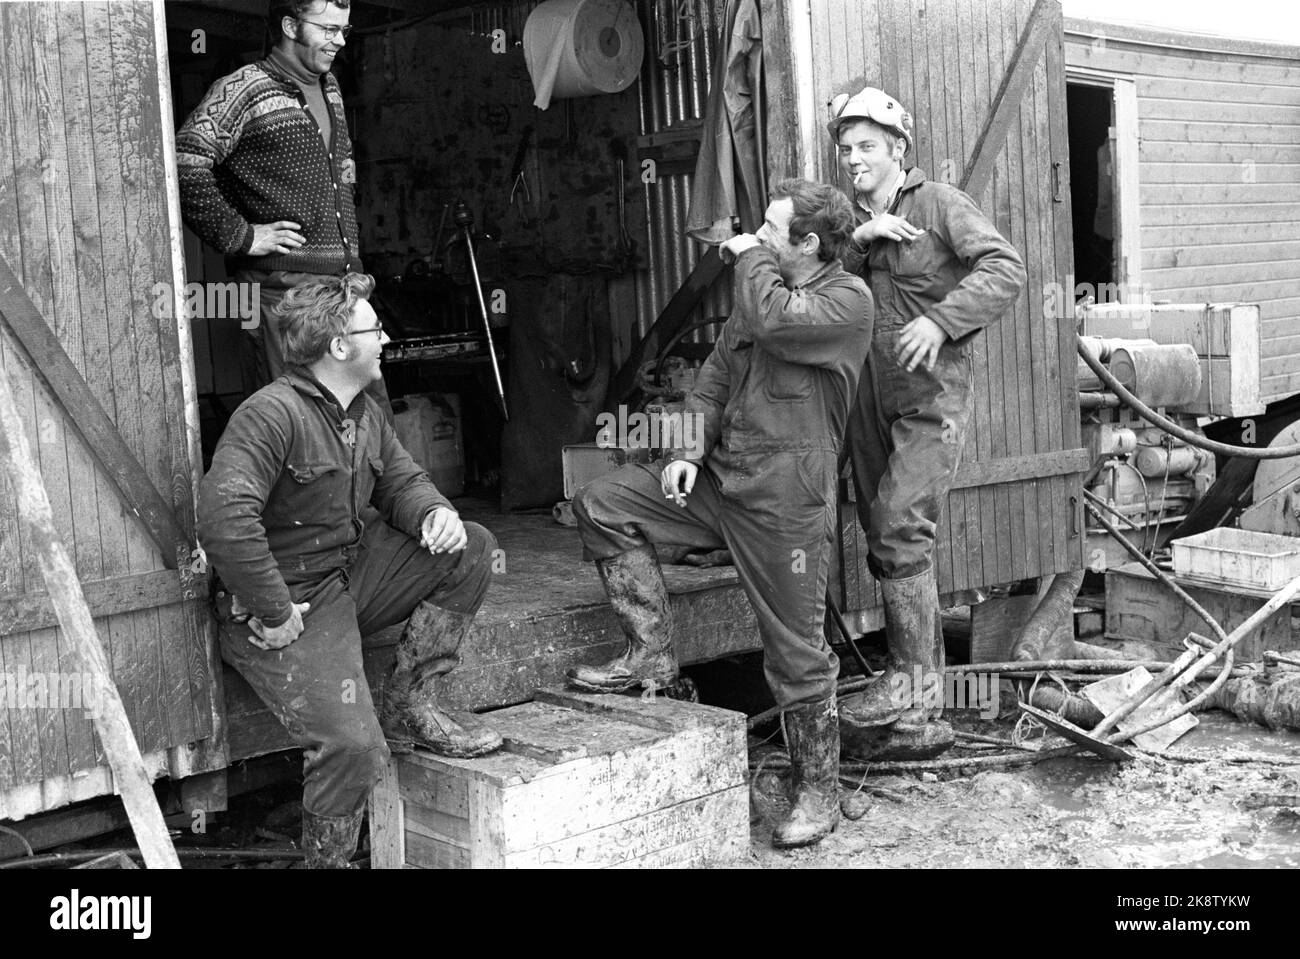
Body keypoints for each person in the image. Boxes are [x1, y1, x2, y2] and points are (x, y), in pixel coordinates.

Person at [571, 179, 874, 849]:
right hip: (719, 481)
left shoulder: (847, 301)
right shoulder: (758, 293)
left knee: (796, 654)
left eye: (772, 227)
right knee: (602, 503)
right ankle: (649, 657)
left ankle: (817, 790)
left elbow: (770, 318)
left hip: (784, 505)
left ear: (810, 243)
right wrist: (685, 448)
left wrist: (746, 256)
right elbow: (711, 382)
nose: (760, 234)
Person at [197, 274, 501, 868]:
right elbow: (224, 520)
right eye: (374, 328)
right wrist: (273, 609)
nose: (385, 338)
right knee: (353, 747)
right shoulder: (271, 415)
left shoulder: (362, 412)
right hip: (291, 604)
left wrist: (435, 513)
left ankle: (411, 701)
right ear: (339, 346)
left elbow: (402, 481)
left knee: (473, 547)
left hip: (347, 576)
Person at [830, 87, 1026, 760]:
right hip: (865, 399)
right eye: (846, 148)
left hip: (929, 398)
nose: (853, 158)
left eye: (866, 147)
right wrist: (857, 239)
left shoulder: (939, 204)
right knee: (883, 535)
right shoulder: (846, 221)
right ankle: (920, 705)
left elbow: (1006, 268)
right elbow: (813, 280)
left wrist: (941, 319)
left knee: (897, 520)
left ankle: (912, 686)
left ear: (898, 151)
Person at [176, 0, 387, 408]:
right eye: (327, 29)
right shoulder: (243, 88)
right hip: (282, 293)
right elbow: (185, 162)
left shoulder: (330, 88)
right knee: (295, 423)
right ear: (291, 26)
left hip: (343, 289)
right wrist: (242, 236)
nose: (339, 40)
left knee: (368, 417)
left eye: (344, 30)